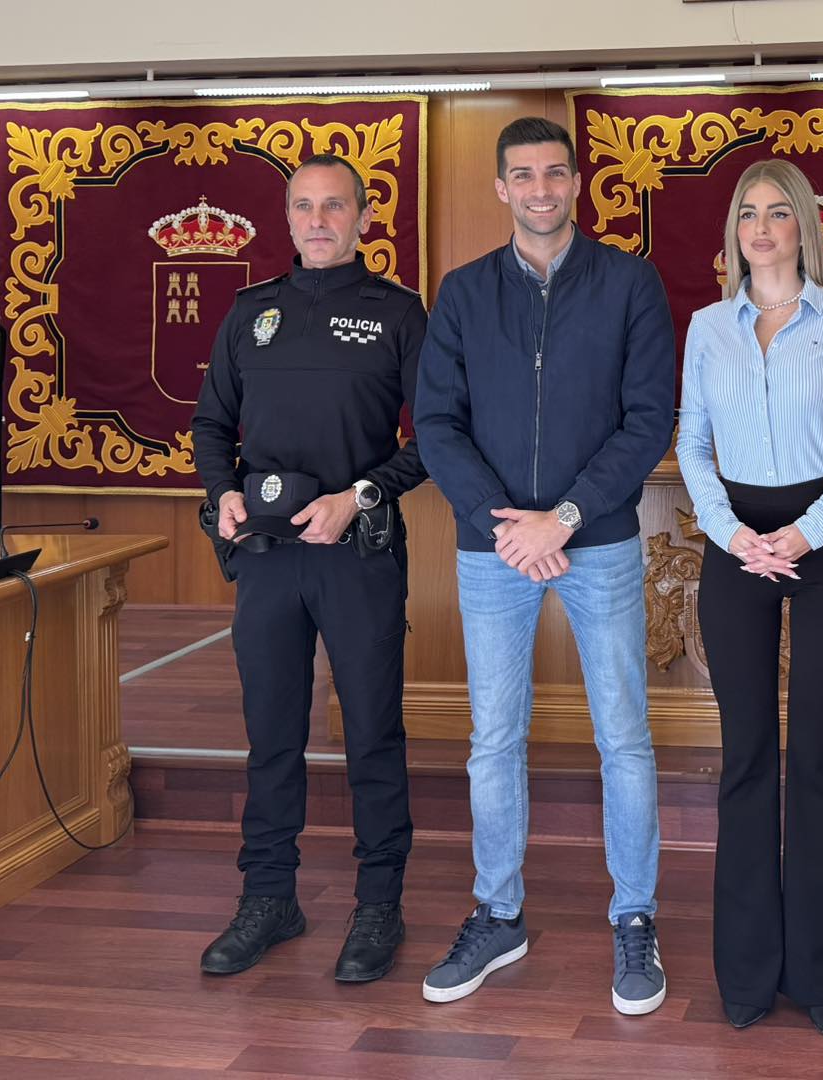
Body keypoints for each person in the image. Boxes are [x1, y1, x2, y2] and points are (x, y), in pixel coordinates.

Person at [413, 116, 675, 1015]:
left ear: (577, 183)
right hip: (494, 550)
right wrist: (507, 525)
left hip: (596, 540)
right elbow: (437, 423)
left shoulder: (630, 283)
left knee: (623, 738)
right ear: (501, 188)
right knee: (494, 740)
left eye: (555, 173)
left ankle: (634, 917)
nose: (540, 189)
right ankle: (498, 914)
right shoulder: (463, 292)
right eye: (522, 175)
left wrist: (561, 517)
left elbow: (648, 418)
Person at [190, 153, 427, 984]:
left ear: (364, 217)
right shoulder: (249, 312)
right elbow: (211, 424)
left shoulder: (398, 313)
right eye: (304, 206)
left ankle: (379, 905)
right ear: (286, 218)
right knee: (272, 736)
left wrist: (357, 497)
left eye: (334, 206)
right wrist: (222, 492)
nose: (318, 220)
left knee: (372, 735)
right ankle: (269, 898)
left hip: (357, 557)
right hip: (265, 561)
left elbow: (436, 436)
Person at [676, 159, 823, 1036]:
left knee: (817, 756)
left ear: (804, 225)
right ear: (734, 231)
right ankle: (748, 971)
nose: (760, 229)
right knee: (748, 755)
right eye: (747, 214)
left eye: (776, 213)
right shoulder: (706, 327)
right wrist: (733, 535)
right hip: (736, 545)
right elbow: (692, 444)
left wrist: (810, 529)